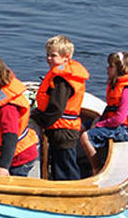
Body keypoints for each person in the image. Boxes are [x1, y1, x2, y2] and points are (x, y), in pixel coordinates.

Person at [32, 35, 89, 180]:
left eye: (53, 55)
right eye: (48, 55)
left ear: (66, 57)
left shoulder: (62, 81)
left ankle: (72, 194)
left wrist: (41, 119)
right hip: (62, 128)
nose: (49, 58)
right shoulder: (60, 75)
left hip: (63, 130)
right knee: (61, 163)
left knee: (65, 166)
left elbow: (56, 107)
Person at [80, 52, 128, 174]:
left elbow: (120, 118)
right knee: (80, 126)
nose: (107, 69)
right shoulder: (117, 85)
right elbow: (111, 107)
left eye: (111, 66)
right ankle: (91, 159)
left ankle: (97, 170)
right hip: (118, 124)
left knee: (86, 137)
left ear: (120, 70)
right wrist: (99, 120)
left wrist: (100, 125)